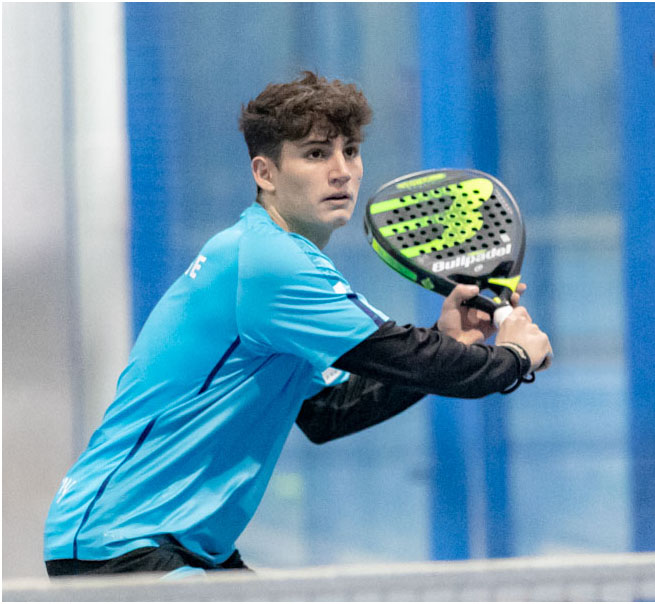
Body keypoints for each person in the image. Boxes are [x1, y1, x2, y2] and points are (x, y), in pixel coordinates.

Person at [43, 71, 552, 578]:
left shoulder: (271, 257)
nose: (342, 172)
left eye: (350, 151)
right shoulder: (268, 261)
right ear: (265, 173)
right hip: (118, 542)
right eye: (315, 154)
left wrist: (447, 340)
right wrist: (513, 357)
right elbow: (404, 356)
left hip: (182, 545)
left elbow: (329, 412)